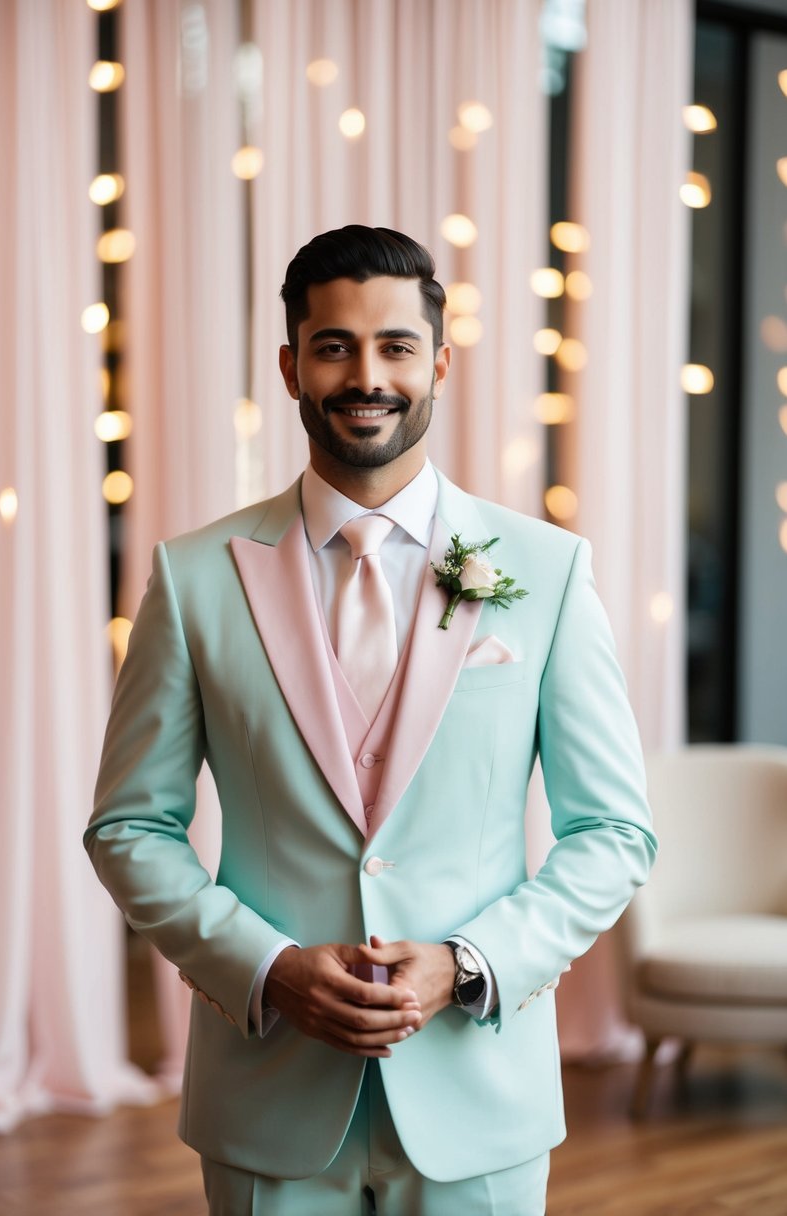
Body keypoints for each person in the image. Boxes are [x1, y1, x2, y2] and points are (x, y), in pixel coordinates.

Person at [85, 225, 656, 1215]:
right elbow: (129, 826)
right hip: (270, 1096)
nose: (366, 375)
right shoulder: (192, 577)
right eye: (334, 345)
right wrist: (265, 966)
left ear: (437, 362)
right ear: (290, 364)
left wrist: (469, 962)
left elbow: (611, 831)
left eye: (395, 346)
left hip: (481, 1096)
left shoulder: (549, 570)